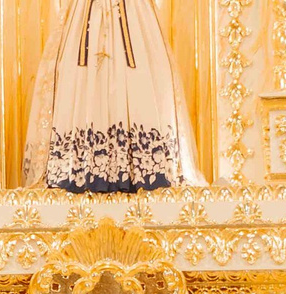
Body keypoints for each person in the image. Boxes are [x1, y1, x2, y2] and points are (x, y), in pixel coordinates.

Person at [20, 0, 202, 193]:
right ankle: (79, 167)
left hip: (133, 15)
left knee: (143, 75)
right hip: (85, 15)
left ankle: (139, 167)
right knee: (77, 75)